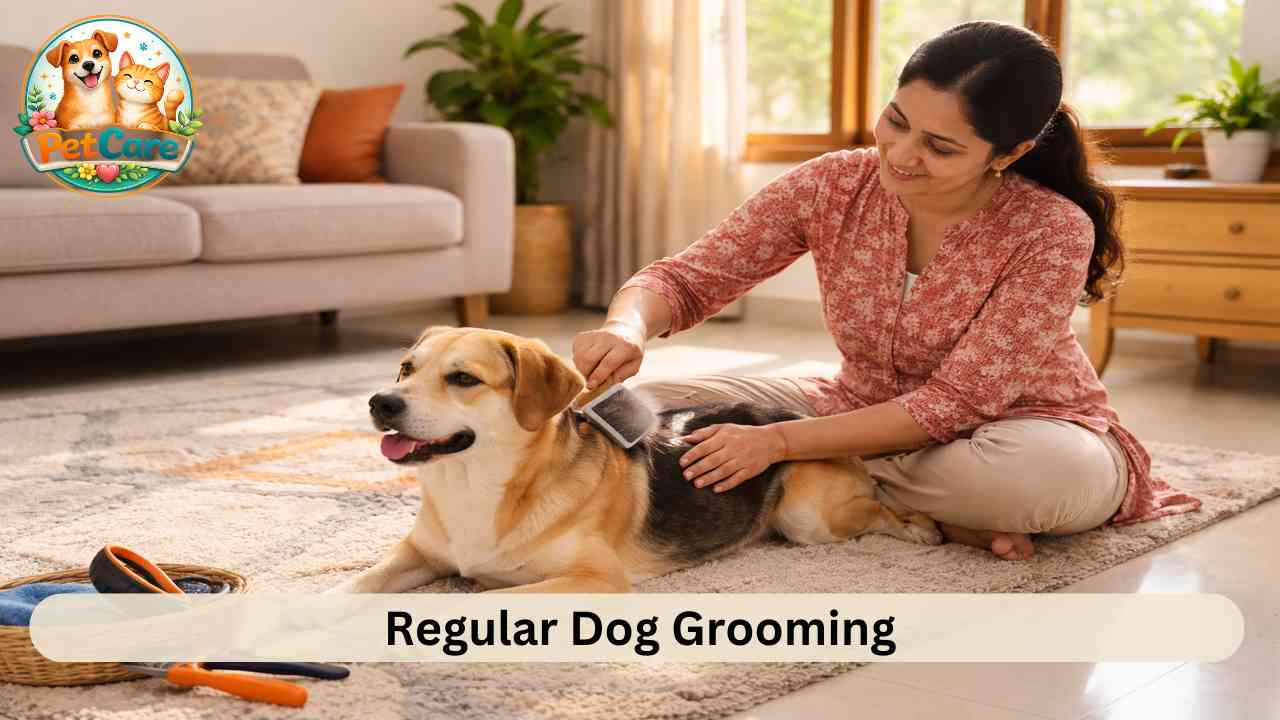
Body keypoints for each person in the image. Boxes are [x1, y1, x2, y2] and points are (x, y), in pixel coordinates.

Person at [571, 21, 1201, 561]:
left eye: (940, 147)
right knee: (630, 412)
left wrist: (777, 442)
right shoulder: (832, 183)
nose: (900, 154)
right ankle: (899, 501)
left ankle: (824, 478)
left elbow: (954, 406)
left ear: (1008, 153)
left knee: (1040, 480)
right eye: (896, 121)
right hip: (856, 409)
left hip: (1019, 432)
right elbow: (687, 277)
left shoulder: (1052, 229)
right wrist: (626, 326)